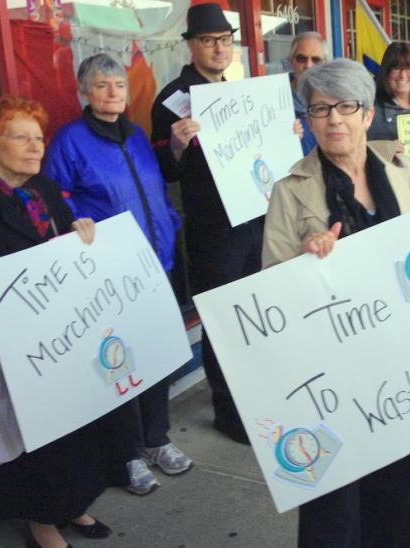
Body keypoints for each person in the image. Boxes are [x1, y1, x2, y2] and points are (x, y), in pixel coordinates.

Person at [262, 58, 410, 547]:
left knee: (393, 490)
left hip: (397, 365)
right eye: (319, 109)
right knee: (332, 507)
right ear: (309, 118)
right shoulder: (289, 190)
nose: (333, 119)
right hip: (329, 376)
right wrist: (304, 258)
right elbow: (271, 287)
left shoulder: (401, 170)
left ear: (365, 114)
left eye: (345, 106)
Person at [0, 95, 129, 548]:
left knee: (78, 427)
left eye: (39, 137)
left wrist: (81, 237)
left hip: (65, 331)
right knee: (37, 436)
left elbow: (68, 246)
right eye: (21, 137)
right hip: (16, 344)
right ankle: (43, 520)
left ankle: (75, 504)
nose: (36, 147)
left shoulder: (44, 190)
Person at [43, 53, 192, 496]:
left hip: (155, 263)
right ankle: (126, 452)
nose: (113, 93)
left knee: (157, 356)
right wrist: (75, 221)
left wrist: (167, 218)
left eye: (119, 86)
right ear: (84, 93)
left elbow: (152, 186)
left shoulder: (135, 133)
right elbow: (54, 195)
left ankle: (156, 439)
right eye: (103, 86)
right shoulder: (70, 139)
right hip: (109, 272)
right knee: (119, 362)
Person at [151, 3, 262, 444]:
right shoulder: (172, 99)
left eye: (225, 40)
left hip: (254, 219)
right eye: (210, 41)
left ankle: (254, 395)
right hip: (214, 229)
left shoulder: (237, 92)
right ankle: (230, 412)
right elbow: (166, 171)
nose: (219, 48)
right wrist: (177, 147)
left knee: (253, 313)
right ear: (191, 46)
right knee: (222, 320)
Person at [367, 42, 410, 141]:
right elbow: (360, 148)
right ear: (386, 72)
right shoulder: (371, 110)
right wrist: (386, 149)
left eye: (408, 69)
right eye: (396, 68)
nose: (402, 75)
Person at [289, 31, 328, 155]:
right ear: (291, 61)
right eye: (301, 58)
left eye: (316, 60)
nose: (308, 65)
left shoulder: (336, 100)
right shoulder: (273, 102)